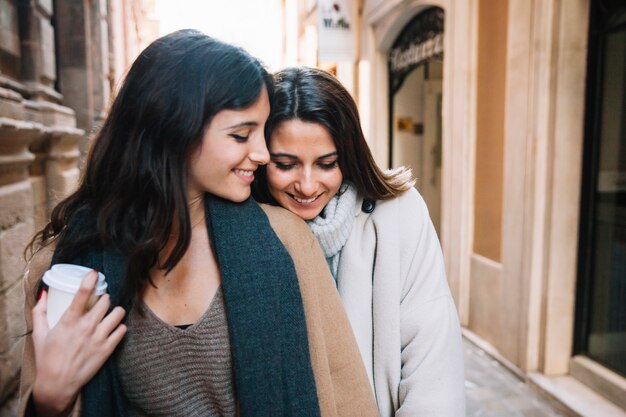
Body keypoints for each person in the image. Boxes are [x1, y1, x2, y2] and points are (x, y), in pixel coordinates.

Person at [19, 31, 378, 417]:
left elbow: (347, 396)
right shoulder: (67, 268)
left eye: (261, 131)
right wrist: (47, 401)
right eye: (241, 135)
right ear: (174, 131)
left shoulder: (284, 240)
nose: (261, 153)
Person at [253, 66, 466, 417]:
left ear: (348, 156)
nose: (307, 185)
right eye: (286, 164)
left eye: (326, 163)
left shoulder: (399, 215)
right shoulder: (248, 230)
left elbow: (432, 361)